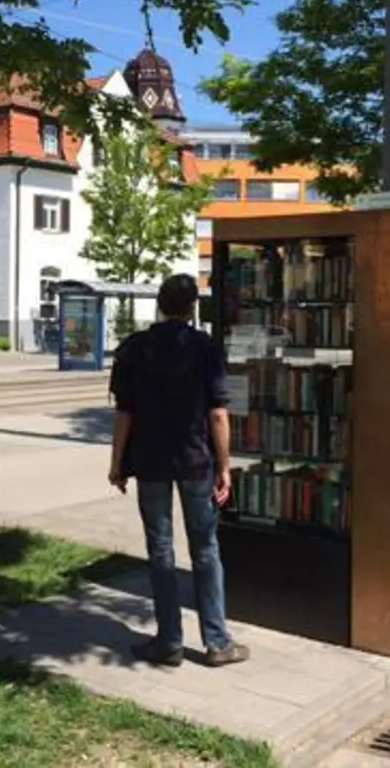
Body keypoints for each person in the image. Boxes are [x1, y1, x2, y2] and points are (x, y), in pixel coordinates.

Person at [107, 274, 250, 668]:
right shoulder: (204, 349)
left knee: (161, 550)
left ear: (159, 303)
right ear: (192, 308)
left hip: (150, 463)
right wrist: (225, 466)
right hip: (196, 462)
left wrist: (117, 463)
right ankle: (217, 642)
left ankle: (169, 641)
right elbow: (217, 414)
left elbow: (124, 413)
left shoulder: (134, 349)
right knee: (206, 549)